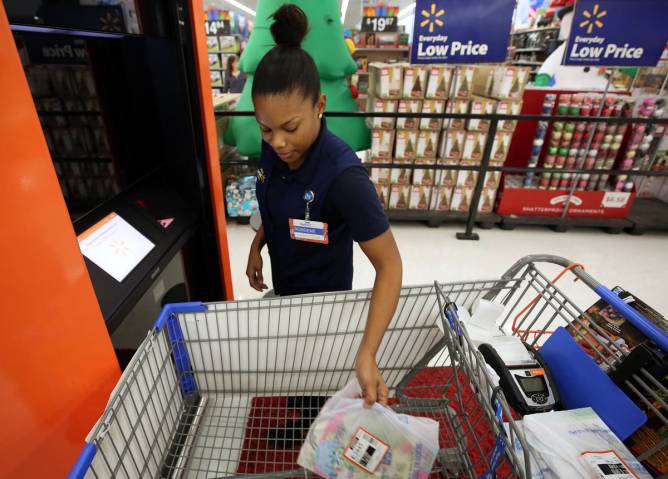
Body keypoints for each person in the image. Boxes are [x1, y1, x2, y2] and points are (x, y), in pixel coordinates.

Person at [246, 4, 402, 408]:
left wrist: (368, 353)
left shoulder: (344, 177)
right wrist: (257, 245)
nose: (278, 142)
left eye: (290, 128)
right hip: (286, 290)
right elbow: (278, 204)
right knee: (293, 373)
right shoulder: (274, 150)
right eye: (266, 128)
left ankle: (314, 428)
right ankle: (301, 421)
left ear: (320, 105)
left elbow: (390, 265)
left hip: (324, 307)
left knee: (316, 381)